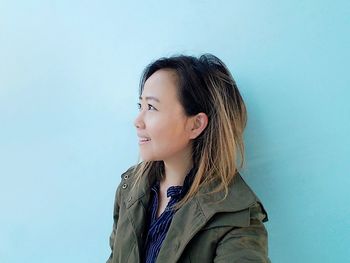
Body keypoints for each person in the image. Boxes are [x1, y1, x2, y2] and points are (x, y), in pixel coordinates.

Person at [107, 54, 270, 263]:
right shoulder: (130, 188)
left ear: (195, 125)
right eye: (141, 106)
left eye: (152, 107)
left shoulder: (236, 217)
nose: (137, 121)